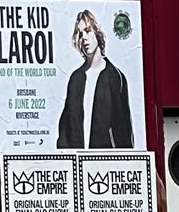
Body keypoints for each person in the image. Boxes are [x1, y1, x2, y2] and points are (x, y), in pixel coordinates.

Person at [57, 10, 133, 149]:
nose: (84, 38)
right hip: (76, 163)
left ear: (97, 32)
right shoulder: (76, 79)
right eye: (80, 34)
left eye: (87, 31)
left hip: (104, 164)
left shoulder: (115, 77)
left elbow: (123, 131)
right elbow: (65, 128)